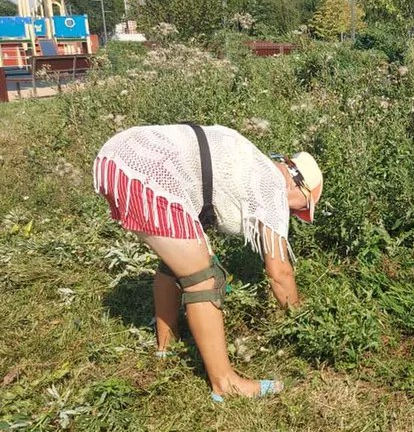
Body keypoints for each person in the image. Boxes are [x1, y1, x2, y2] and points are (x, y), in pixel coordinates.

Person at [93, 123, 323, 400]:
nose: (295, 212)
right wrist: (301, 319)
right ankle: (225, 384)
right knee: (204, 278)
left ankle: (167, 346)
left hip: (116, 158)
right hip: (143, 168)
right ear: (297, 185)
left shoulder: (249, 162)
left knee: (177, 263)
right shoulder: (273, 183)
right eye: (303, 205)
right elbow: (279, 272)